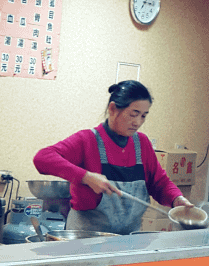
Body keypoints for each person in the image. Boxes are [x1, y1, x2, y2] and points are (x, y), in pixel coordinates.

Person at [33, 80, 193, 235]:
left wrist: (176, 199)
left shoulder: (142, 143)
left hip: (128, 240)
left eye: (144, 116)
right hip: (86, 239)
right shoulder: (87, 140)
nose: (138, 122)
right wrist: (86, 177)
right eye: (133, 114)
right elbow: (43, 158)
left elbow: (159, 183)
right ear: (113, 109)